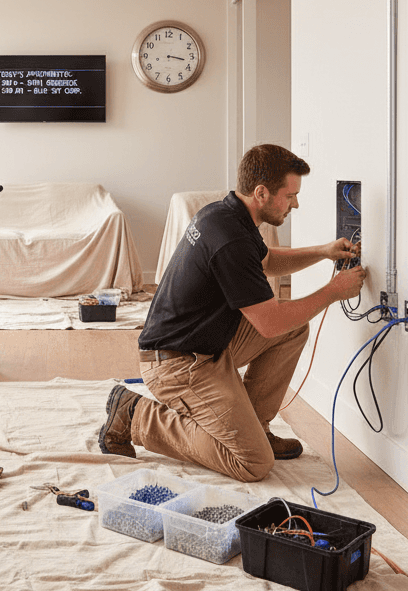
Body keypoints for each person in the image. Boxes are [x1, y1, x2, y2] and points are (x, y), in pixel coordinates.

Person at [98, 143, 366, 483]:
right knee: (253, 462)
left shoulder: (225, 214)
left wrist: (323, 251)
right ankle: (135, 415)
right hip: (176, 365)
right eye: (290, 196)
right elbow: (269, 324)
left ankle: (255, 426)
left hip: (205, 345)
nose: (295, 204)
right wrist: (333, 291)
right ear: (261, 193)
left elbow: (267, 262)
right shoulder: (230, 239)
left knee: (294, 327)